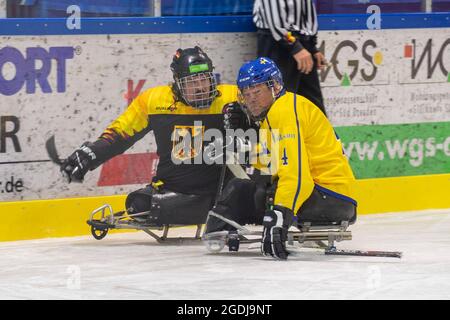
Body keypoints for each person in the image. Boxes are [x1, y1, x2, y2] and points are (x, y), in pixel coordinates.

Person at [60, 46, 239, 226]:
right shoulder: (154, 101)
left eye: (204, 79)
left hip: (223, 193)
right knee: (137, 205)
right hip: (176, 192)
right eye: (192, 82)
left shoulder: (233, 96)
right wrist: (91, 154)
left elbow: (265, 120)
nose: (201, 88)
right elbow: (120, 134)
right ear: (177, 82)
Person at [204, 57, 357, 260]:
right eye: (247, 94)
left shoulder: (284, 109)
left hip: (329, 198)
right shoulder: (278, 111)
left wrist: (279, 217)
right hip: (332, 197)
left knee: (252, 190)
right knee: (247, 187)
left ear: (275, 86)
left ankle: (230, 222)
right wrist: (243, 150)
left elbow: (296, 174)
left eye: (257, 91)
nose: (251, 99)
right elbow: (276, 157)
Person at [253, 0, 327, 115]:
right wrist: (295, 47)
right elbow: (276, 22)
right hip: (277, 44)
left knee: (313, 105)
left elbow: (306, 12)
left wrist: (312, 47)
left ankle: (321, 133)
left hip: (301, 44)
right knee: (279, 103)